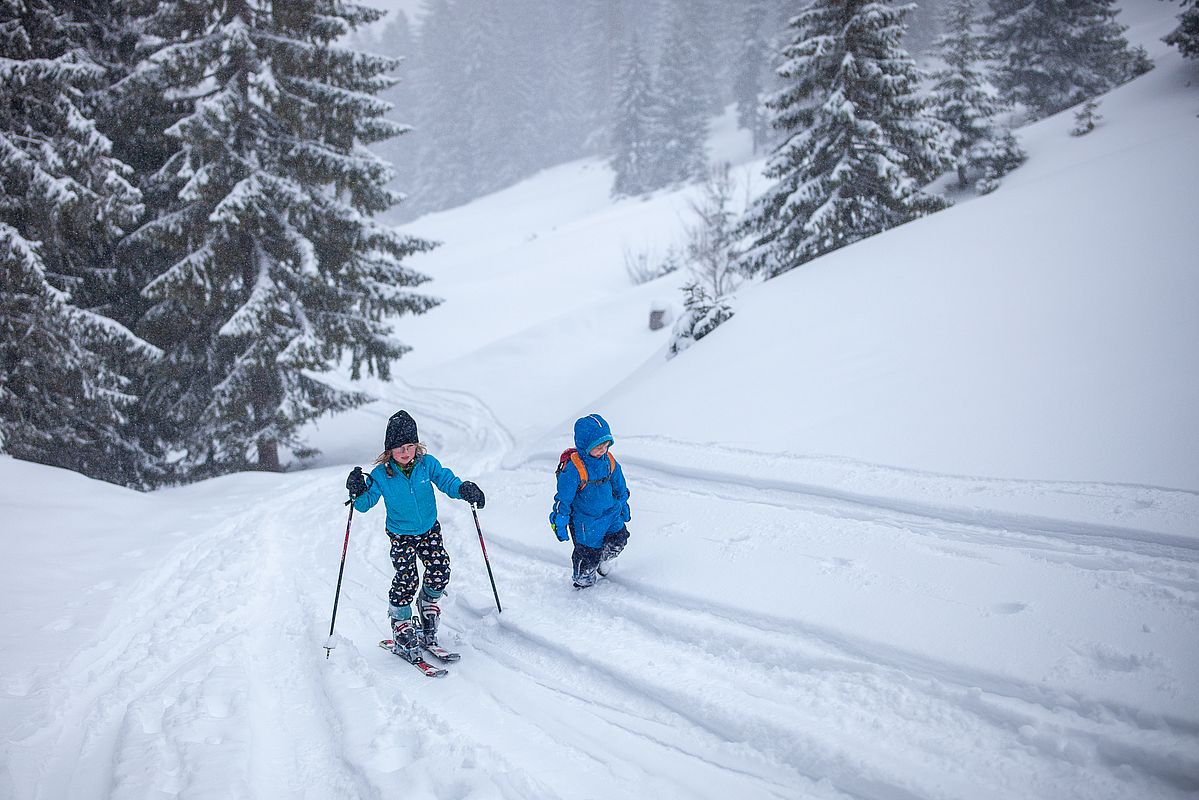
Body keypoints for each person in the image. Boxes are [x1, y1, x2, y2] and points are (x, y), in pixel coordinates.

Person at [346, 410, 486, 661]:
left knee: (440, 570)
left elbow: (447, 481)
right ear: (389, 450)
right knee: (406, 579)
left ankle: (427, 604)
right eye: (399, 447)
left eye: (410, 446)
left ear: (416, 446)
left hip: (429, 529)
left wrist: (464, 489)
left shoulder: (426, 464)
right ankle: (401, 624)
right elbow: (365, 504)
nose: (405, 452)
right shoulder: (381, 475)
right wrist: (356, 491)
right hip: (401, 535)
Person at [549, 413, 631, 588]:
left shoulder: (609, 460)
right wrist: (560, 519)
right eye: (598, 446)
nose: (603, 449)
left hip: (611, 513)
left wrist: (623, 502)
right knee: (588, 556)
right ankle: (583, 580)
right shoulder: (574, 470)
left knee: (619, 540)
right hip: (587, 522)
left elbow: (619, 485)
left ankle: (601, 561)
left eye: (606, 444)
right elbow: (563, 499)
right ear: (584, 445)